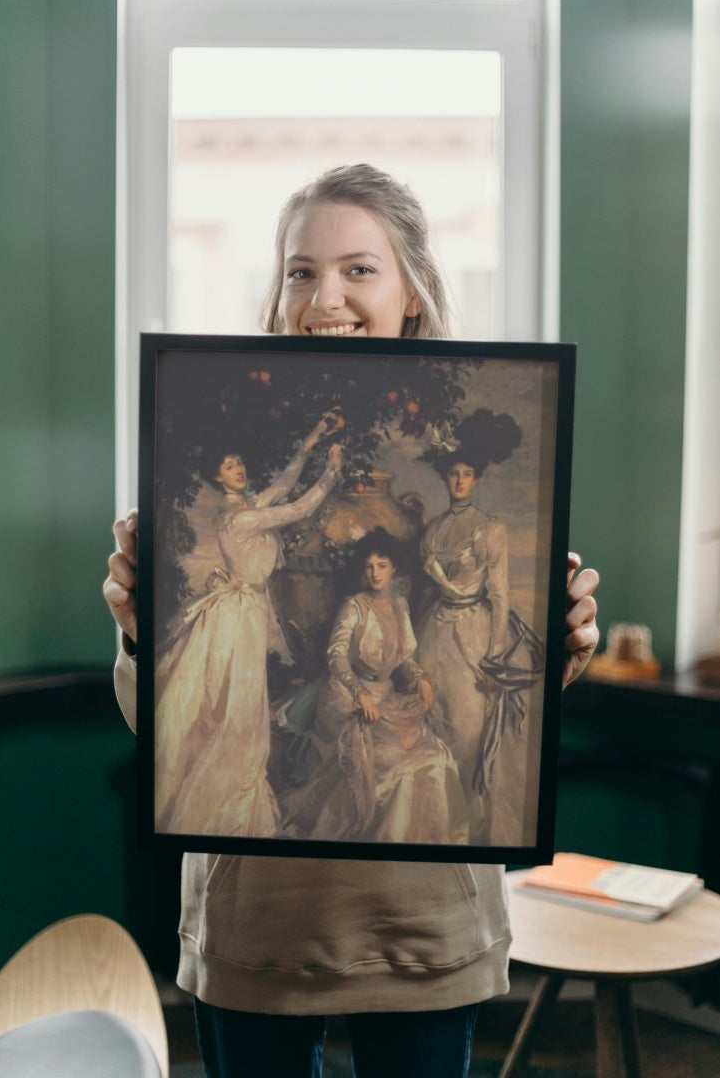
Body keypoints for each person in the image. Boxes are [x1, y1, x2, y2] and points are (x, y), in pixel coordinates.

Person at [104, 163, 600, 1078]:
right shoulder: (218, 453)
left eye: (357, 269)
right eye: (300, 270)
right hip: (258, 920)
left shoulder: (485, 449)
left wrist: (557, 649)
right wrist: (140, 632)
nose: (323, 295)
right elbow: (168, 729)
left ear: (411, 289)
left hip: (421, 921)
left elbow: (497, 705)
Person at [153, 422, 342, 837]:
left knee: (241, 701)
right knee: (238, 706)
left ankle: (236, 785)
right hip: (239, 617)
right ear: (218, 476)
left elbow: (280, 487)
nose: (237, 467)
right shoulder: (239, 519)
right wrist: (331, 472)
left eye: (239, 462)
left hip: (248, 610)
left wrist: (308, 443)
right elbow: (297, 509)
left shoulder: (243, 508)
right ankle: (229, 799)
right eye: (228, 464)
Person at [279, 528, 469, 846]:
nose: (375, 573)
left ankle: (417, 839)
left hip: (384, 695)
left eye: (382, 565)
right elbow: (336, 655)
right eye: (369, 566)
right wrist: (359, 692)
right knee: (386, 761)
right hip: (344, 694)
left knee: (432, 755)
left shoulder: (399, 606)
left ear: (394, 568)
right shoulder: (354, 606)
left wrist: (420, 677)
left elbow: (404, 660)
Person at [416, 408, 525, 843]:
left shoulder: (488, 530)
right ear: (445, 478)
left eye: (466, 474)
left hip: (473, 639)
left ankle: (467, 837)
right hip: (434, 635)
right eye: (453, 474)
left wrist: (495, 661)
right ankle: (434, 831)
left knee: (467, 738)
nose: (459, 481)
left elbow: (500, 597)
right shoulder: (435, 530)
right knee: (429, 732)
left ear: (476, 478)